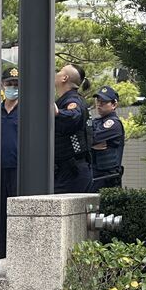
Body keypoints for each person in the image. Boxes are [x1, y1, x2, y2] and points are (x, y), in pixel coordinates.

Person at [54, 64, 93, 193]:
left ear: (64, 78)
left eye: (59, 71)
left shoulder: (73, 100)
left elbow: (73, 116)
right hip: (69, 170)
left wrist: (57, 113)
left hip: (71, 173)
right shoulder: (67, 100)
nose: (56, 73)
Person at [89, 85, 125, 192]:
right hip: (95, 176)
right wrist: (92, 144)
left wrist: (91, 143)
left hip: (108, 179)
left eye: (104, 102)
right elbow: (85, 137)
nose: (99, 104)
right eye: (98, 101)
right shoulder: (96, 121)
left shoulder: (114, 124)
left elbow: (92, 138)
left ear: (114, 104)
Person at [0, 66, 18, 259]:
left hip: (17, 170)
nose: (12, 87)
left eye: (16, 84)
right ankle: (0, 252)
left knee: (16, 213)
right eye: (9, 83)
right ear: (2, 85)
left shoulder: (25, 110)